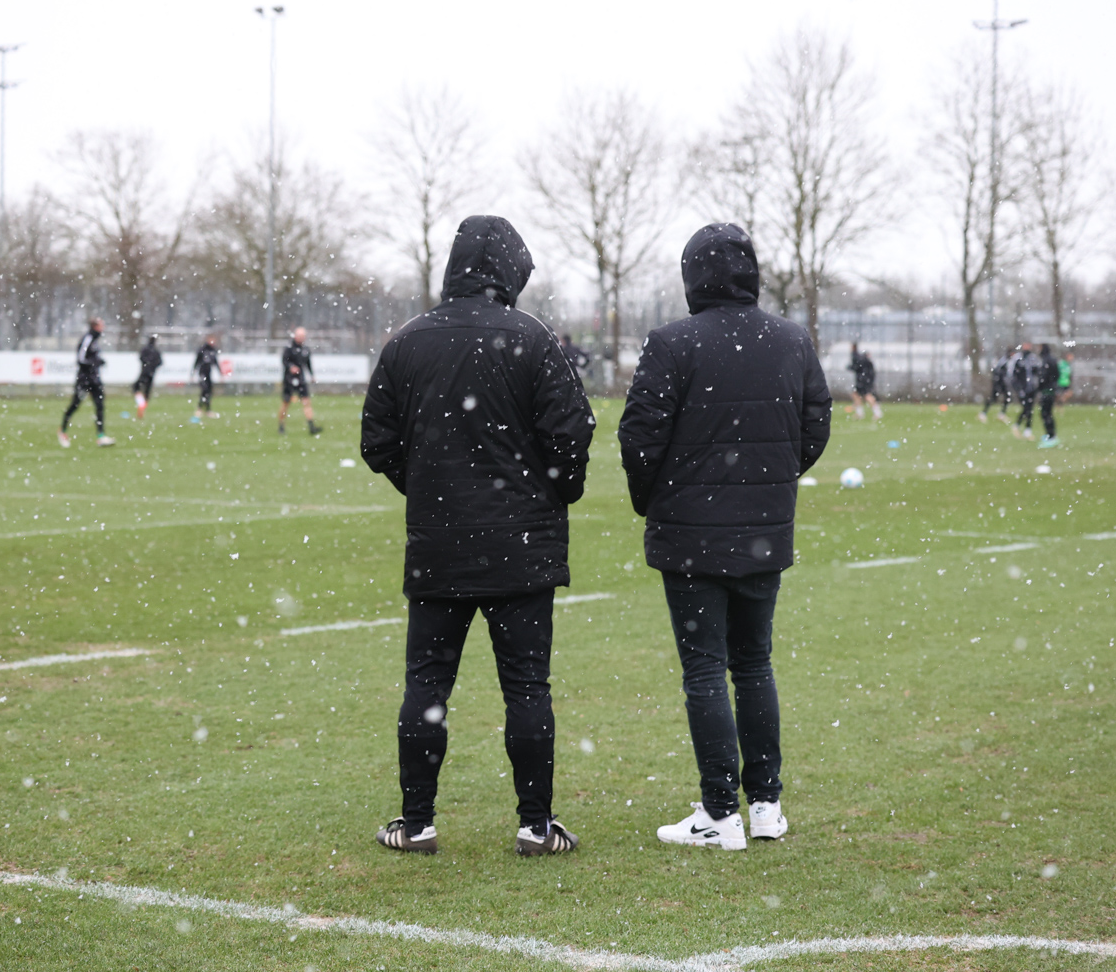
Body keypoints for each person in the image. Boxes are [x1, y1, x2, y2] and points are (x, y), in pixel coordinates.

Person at [361, 216, 594, 857]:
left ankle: (417, 822)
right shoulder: (535, 339)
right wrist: (548, 492)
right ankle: (536, 825)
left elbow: (376, 441)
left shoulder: (407, 342)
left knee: (427, 684)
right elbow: (573, 434)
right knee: (526, 686)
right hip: (521, 545)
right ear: (510, 272)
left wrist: (432, 486)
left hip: (440, 541)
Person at [619, 223, 831, 851]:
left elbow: (638, 438)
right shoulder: (790, 340)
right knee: (753, 663)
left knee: (707, 669)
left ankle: (720, 812)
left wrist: (656, 498)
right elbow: (814, 425)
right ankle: (763, 804)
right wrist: (771, 483)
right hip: (761, 530)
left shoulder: (672, 343)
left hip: (691, 533)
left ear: (691, 277)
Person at [59, 318, 114, 448]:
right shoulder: (87, 338)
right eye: (102, 325)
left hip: (95, 380)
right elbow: (81, 359)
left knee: (100, 406)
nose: (104, 327)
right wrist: (96, 363)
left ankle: (101, 436)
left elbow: (92, 357)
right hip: (84, 380)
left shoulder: (95, 340)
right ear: (95, 326)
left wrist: (99, 361)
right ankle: (63, 431)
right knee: (75, 405)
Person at [279, 327, 320, 435]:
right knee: (286, 403)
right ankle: (281, 426)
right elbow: (284, 361)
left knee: (306, 401)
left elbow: (308, 364)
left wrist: (312, 375)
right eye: (299, 336)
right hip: (289, 379)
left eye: (303, 336)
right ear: (295, 336)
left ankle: (311, 426)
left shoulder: (305, 349)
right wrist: (291, 367)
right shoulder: (289, 347)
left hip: (301, 379)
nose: (301, 338)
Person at [192, 334, 222, 423]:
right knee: (204, 390)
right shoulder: (202, 349)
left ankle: (207, 410)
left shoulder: (213, 350)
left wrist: (220, 372)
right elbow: (197, 361)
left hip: (208, 373)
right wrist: (193, 372)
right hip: (202, 373)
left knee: (209, 391)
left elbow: (215, 362)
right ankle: (200, 409)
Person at [979, 348, 1014, 423]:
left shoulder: (1006, 360)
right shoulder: (1004, 361)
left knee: (1006, 398)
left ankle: (1000, 414)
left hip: (1000, 383)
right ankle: (984, 413)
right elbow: (999, 372)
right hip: (999, 383)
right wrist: (999, 382)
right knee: (994, 398)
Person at [848, 344, 881, 420]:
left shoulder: (862, 360)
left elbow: (857, 367)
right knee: (856, 395)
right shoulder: (866, 361)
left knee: (867, 396)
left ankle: (877, 412)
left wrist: (851, 367)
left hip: (863, 381)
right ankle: (860, 413)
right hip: (864, 381)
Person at [133, 335, 162, 420]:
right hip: (151, 374)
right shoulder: (156, 351)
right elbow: (160, 362)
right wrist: (153, 366)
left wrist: (146, 364)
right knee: (147, 392)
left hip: (144, 372)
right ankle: (143, 408)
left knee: (136, 388)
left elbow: (141, 358)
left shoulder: (145, 349)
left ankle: (141, 404)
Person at [1012, 344, 1038, 440]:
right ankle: (1019, 426)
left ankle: (1025, 429)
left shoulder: (1033, 360)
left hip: (1031, 389)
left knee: (1029, 409)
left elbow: (1037, 373)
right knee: (1027, 409)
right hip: (1023, 389)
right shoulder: (1019, 360)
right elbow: (1015, 377)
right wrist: (1019, 389)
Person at [1036, 343, 1060, 447]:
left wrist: (1040, 387)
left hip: (1047, 391)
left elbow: (1043, 376)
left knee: (1045, 413)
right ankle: (1050, 435)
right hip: (1051, 390)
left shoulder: (1046, 360)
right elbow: (1057, 374)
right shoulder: (1052, 359)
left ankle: (1051, 436)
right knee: (1047, 413)